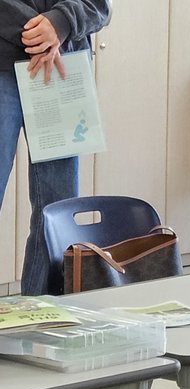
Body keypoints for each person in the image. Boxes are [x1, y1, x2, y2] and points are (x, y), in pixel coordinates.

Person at [0, 0, 109, 295]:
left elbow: (101, 5)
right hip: (14, 62)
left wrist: (61, 23)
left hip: (62, 68)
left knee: (57, 211)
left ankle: (42, 312)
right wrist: (39, 33)